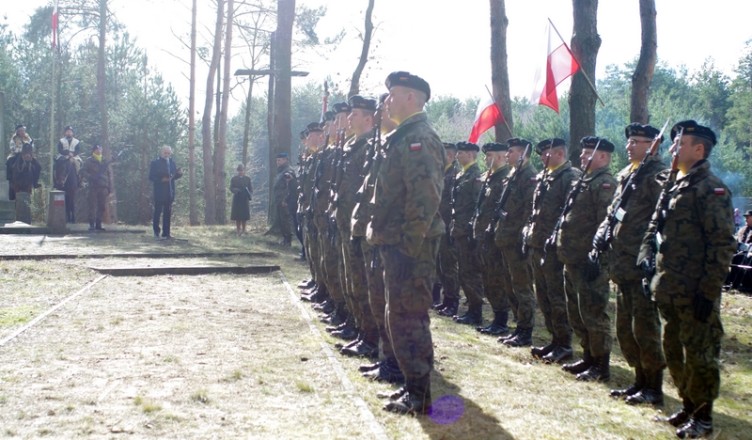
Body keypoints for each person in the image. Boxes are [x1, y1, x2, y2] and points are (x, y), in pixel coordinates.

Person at [638, 120, 735, 438]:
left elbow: (722, 245)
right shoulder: (674, 184)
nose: (672, 150)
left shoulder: (711, 188)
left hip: (695, 291)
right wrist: (646, 257)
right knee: (674, 351)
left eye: (680, 144)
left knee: (699, 355)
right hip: (668, 286)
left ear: (699, 149)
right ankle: (688, 404)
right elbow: (656, 226)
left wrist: (708, 292)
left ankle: (703, 418)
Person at [367, 71, 444, 414]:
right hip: (397, 243)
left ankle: (419, 394)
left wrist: (408, 246)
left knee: (410, 317)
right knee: (398, 316)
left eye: (392, 95)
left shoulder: (419, 139)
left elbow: (424, 198)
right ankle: (411, 384)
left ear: (411, 98)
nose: (386, 102)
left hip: (411, 246)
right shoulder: (402, 137)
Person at [590, 123, 667, 405]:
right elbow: (613, 212)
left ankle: (653, 387)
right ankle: (639, 380)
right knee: (625, 328)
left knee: (645, 328)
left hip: (641, 264)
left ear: (652, 145)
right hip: (621, 264)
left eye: (636, 142)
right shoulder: (627, 174)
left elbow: (662, 219)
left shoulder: (657, 176)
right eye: (629, 141)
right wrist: (601, 236)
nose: (629, 146)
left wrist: (653, 257)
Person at [556, 137, 617, 377]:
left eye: (587, 153)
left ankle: (600, 364)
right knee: (577, 311)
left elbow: (606, 224)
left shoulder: (605, 184)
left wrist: (598, 256)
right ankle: (588, 356)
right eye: (582, 152)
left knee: (593, 312)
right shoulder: (583, 180)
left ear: (602, 157)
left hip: (590, 260)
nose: (581, 156)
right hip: (573, 257)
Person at [524, 138, 580, 360]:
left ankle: (564, 343)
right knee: (544, 295)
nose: (541, 157)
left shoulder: (570, 176)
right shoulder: (545, 176)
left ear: (559, 154)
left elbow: (570, 212)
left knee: (556, 297)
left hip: (554, 247)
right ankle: (554, 339)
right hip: (538, 244)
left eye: (546, 153)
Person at [494, 138, 537, 347]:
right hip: (505, 238)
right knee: (510, 285)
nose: (507, 155)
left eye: (511, 152)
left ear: (522, 154)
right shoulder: (514, 174)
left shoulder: (529, 176)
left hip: (517, 240)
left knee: (522, 286)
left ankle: (525, 330)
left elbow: (530, 211)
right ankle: (518, 327)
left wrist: (522, 238)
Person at [474, 142, 514, 336]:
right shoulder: (490, 177)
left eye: (489, 155)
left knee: (497, 279)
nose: (485, 159)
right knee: (488, 278)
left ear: (499, 157)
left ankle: (501, 320)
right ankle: (496, 317)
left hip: (495, 238)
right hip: (484, 237)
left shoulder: (505, 179)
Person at [450, 141, 485, 326]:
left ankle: (476, 310)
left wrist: (473, 231)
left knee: (470, 272)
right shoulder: (462, 174)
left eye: (461, 153)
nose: (457, 156)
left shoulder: (475, 177)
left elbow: (477, 206)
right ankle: (471, 309)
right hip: (459, 230)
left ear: (470, 154)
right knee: (463, 271)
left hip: (468, 232)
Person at [434, 142, 461, 316]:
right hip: (438, 226)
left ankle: (452, 301)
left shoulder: (454, 175)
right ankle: (446, 300)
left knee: (449, 266)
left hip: (448, 225)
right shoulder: (441, 173)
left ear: (449, 156)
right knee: (440, 265)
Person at [149, 145, 182, 240]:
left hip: (169, 191)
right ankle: (156, 233)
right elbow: (151, 177)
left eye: (168, 153)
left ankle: (166, 233)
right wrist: (161, 180)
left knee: (167, 213)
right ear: (161, 152)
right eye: (165, 153)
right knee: (158, 212)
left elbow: (173, 177)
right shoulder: (155, 163)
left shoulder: (172, 163)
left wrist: (179, 174)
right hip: (159, 191)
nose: (167, 155)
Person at [54, 126, 82, 223]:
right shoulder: (61, 141)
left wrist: (73, 154)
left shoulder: (77, 141)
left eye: (70, 131)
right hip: (63, 156)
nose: (69, 133)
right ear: (65, 132)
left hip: (74, 157)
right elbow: (59, 150)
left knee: (79, 164)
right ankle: (56, 180)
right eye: (67, 131)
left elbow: (78, 150)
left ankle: (80, 180)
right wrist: (66, 153)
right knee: (57, 164)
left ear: (72, 133)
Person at [80, 145, 111, 231]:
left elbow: (108, 174)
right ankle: (91, 224)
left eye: (100, 149)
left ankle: (98, 224)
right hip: (93, 186)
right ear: (94, 150)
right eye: (97, 149)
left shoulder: (104, 160)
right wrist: (90, 177)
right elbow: (83, 171)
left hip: (103, 186)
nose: (99, 150)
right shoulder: (89, 160)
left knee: (101, 206)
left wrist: (109, 187)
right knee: (92, 206)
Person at [271, 153, 296, 245]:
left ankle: (288, 240)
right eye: (277, 160)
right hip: (279, 199)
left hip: (284, 200)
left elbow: (289, 186)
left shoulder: (288, 170)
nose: (277, 162)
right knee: (281, 220)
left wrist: (285, 199)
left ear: (285, 160)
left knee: (285, 220)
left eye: (279, 160)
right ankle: (285, 238)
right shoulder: (280, 171)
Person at [725, 209, 752, 290]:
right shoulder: (742, 230)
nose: (746, 219)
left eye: (748, 217)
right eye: (745, 217)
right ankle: (731, 281)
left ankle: (746, 284)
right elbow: (736, 240)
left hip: (749, 253)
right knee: (735, 257)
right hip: (740, 251)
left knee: (746, 258)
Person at [229, 164, 252, 236]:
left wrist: (248, 194)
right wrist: (235, 190)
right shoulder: (234, 179)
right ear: (237, 171)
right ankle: (238, 230)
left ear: (244, 170)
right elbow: (231, 188)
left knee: (244, 216)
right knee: (237, 216)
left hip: (244, 199)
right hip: (237, 198)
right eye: (239, 170)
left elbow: (250, 189)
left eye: (242, 170)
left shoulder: (247, 179)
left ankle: (244, 230)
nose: (241, 172)